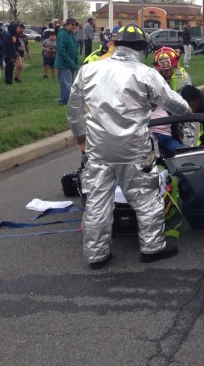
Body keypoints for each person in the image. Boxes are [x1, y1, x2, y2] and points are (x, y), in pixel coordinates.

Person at [67, 23, 191, 268]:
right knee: (146, 196)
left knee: (97, 201)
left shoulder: (88, 70)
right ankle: (152, 247)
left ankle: (96, 254)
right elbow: (173, 102)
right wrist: (188, 110)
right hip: (134, 149)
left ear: (115, 43)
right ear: (142, 48)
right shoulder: (145, 73)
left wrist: (81, 137)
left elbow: (73, 109)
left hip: (98, 149)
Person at [150, 47, 193, 154]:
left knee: (183, 150)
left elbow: (188, 105)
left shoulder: (183, 77)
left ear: (176, 64)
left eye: (171, 69)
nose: (168, 73)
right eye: (164, 70)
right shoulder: (151, 77)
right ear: (158, 68)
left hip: (179, 115)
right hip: (156, 123)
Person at [54, 18, 79, 105]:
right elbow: (61, 50)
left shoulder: (71, 34)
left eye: (75, 25)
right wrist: (69, 61)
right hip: (64, 64)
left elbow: (74, 46)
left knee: (71, 83)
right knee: (66, 83)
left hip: (71, 63)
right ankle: (65, 101)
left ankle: (68, 99)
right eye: (72, 25)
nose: (74, 26)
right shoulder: (63, 34)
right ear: (67, 24)